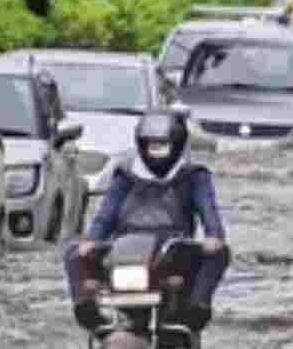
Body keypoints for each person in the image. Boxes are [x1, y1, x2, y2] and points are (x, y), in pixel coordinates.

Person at [64, 110, 230, 333]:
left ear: (176, 144)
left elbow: (209, 210)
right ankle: (88, 312)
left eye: (162, 146)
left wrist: (214, 236)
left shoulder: (193, 175)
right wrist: (92, 241)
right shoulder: (125, 176)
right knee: (74, 253)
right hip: (126, 252)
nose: (156, 153)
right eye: (151, 146)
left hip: (174, 251)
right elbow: (106, 215)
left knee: (219, 253)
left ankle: (198, 308)